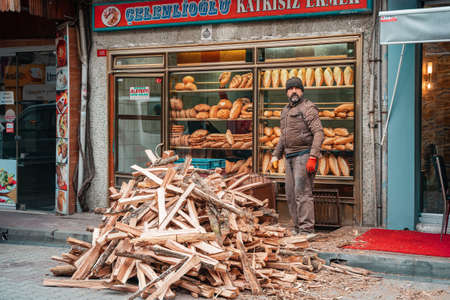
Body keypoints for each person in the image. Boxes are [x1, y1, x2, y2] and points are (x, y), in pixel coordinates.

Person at [271, 77, 324, 234]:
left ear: (302, 91)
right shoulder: (285, 111)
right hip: (289, 157)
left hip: (304, 155)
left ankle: (307, 230)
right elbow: (283, 136)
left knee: (303, 194)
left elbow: (319, 133)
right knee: (291, 194)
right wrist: (276, 154)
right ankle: (297, 228)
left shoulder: (308, 108)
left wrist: (313, 156)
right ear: (287, 92)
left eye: (297, 88)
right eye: (290, 88)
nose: (293, 91)